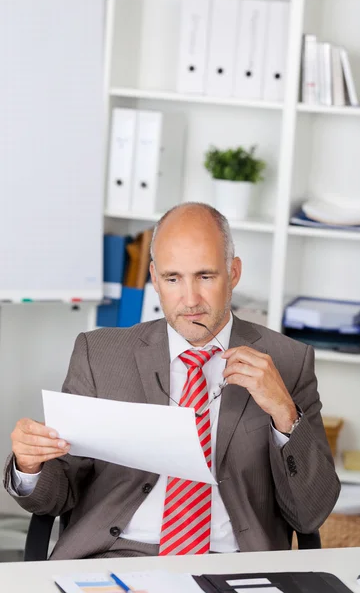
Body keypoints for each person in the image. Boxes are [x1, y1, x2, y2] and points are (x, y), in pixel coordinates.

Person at [3, 202, 340, 559]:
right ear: (154, 277)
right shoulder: (99, 353)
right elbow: (58, 494)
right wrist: (30, 466)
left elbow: (310, 513)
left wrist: (285, 415)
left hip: (231, 565)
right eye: (173, 278)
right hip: (114, 557)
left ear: (234, 272)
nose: (190, 300)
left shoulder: (288, 361)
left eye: (205, 276)